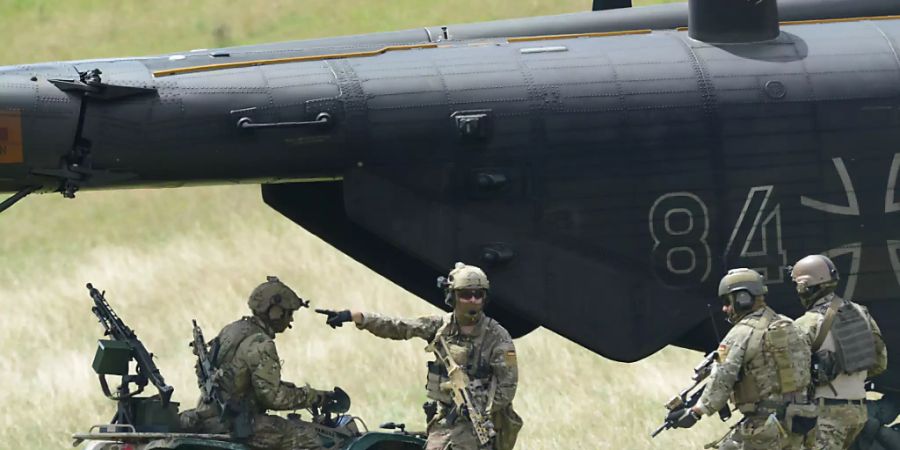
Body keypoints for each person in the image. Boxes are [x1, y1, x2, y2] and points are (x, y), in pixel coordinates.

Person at [318, 262, 522, 450]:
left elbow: (507, 388)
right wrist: (357, 317)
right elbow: (398, 327)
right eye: (466, 295)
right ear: (452, 297)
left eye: (478, 295)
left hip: (479, 425)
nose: (473, 301)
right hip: (444, 421)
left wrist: (478, 407)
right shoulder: (440, 328)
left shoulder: (498, 338)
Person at [179, 276, 340, 450]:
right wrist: (314, 397)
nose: (291, 320)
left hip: (208, 415)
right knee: (308, 437)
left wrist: (290, 389)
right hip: (233, 423)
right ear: (275, 312)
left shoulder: (233, 330)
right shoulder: (261, 343)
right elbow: (274, 398)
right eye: (289, 313)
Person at [666, 268, 815, 450]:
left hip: (764, 425)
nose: (725, 308)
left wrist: (696, 412)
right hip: (801, 421)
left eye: (727, 302)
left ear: (742, 299)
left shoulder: (741, 333)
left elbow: (722, 378)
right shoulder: (792, 325)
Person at [790, 255, 888, 450]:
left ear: (805, 287)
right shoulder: (862, 313)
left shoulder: (806, 324)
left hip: (827, 414)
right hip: (859, 410)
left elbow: (795, 377)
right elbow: (880, 362)